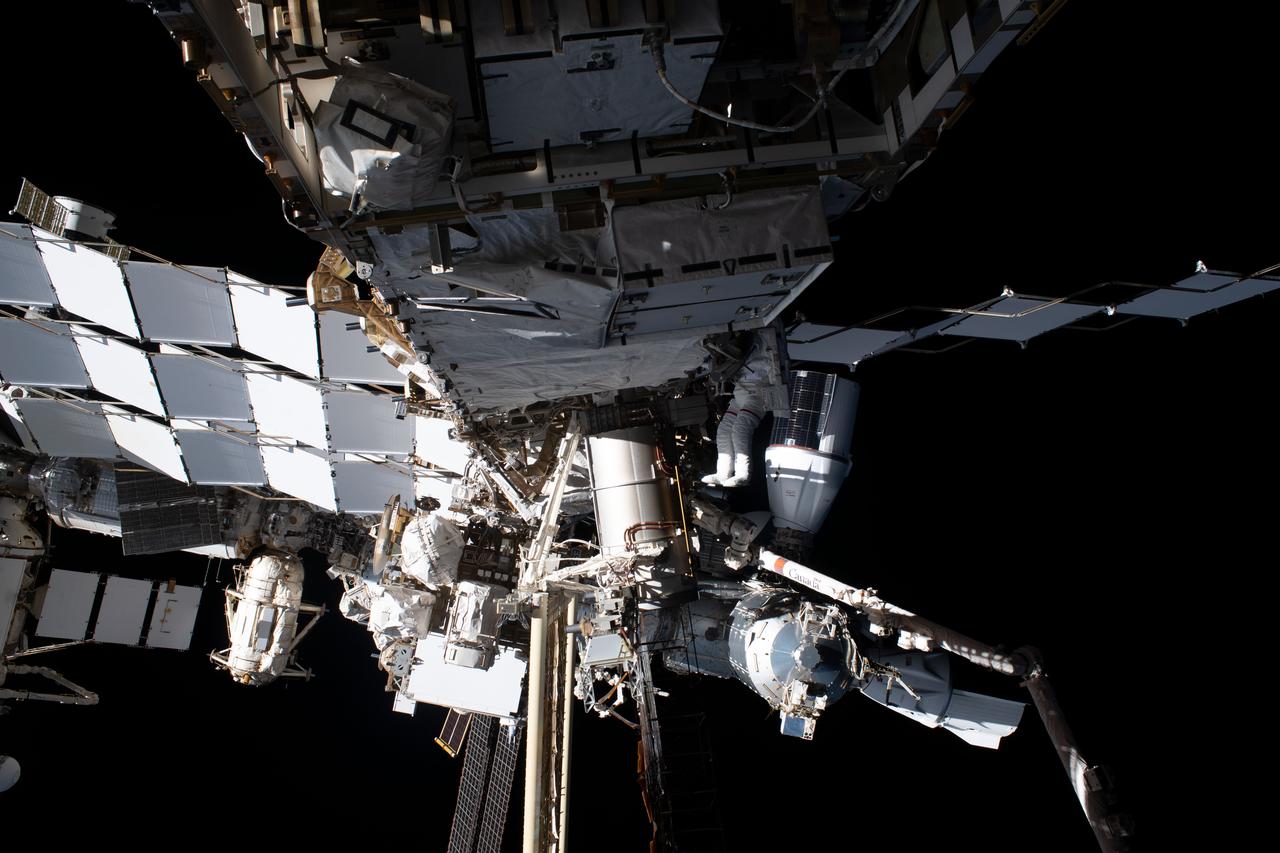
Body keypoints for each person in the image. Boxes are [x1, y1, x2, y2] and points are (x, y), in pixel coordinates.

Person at [702, 340, 772, 487]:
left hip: (757, 394)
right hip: (740, 395)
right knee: (723, 432)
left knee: (740, 430)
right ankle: (723, 473)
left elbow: (772, 364)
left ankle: (742, 475)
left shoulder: (763, 346)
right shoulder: (736, 346)